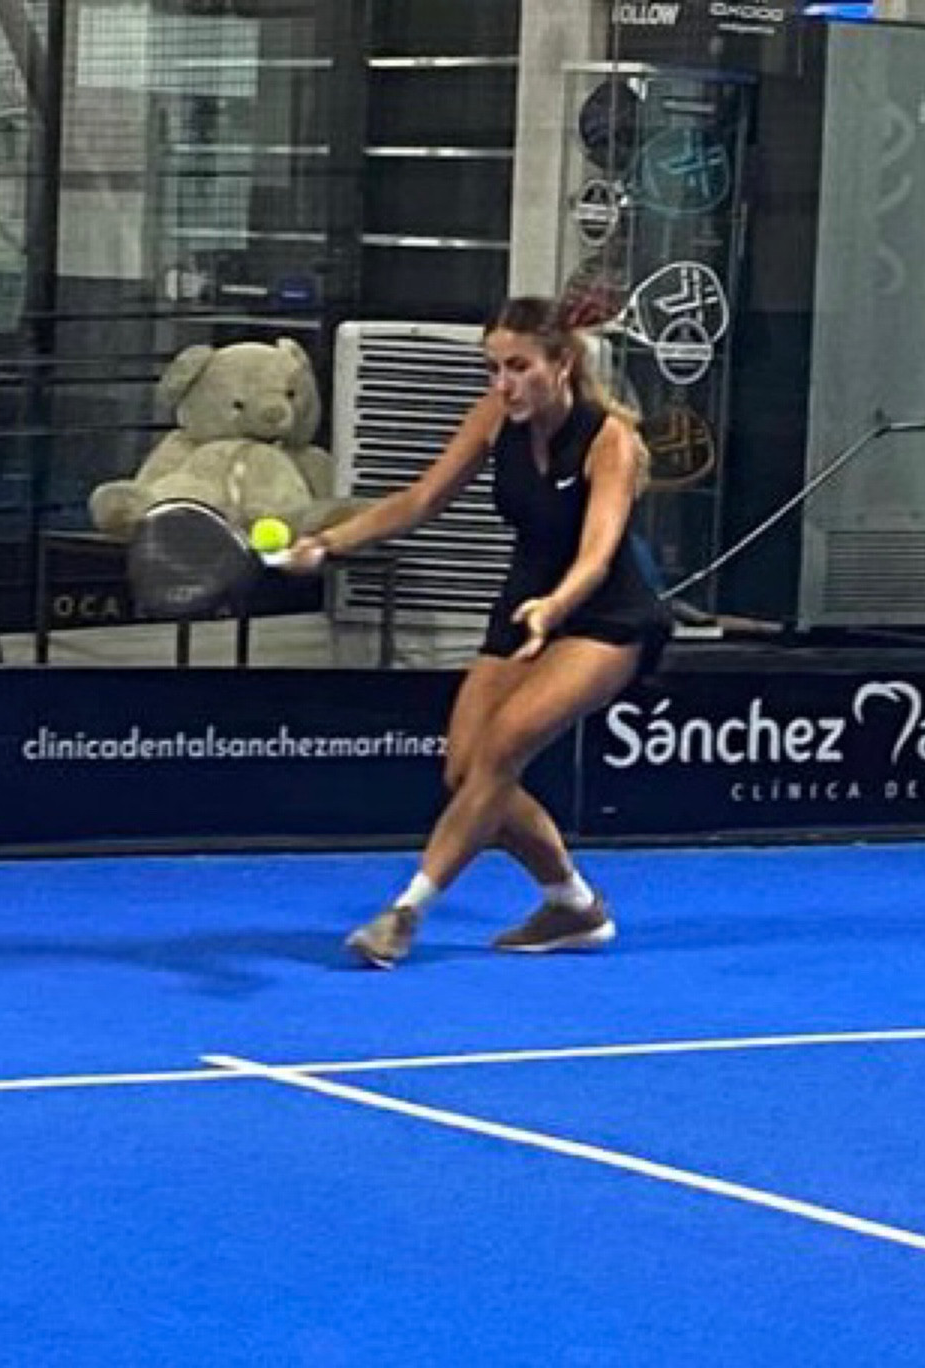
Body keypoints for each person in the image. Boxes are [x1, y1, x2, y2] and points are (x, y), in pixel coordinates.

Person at [284, 297, 669, 968]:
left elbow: (596, 556)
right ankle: (573, 904)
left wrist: (555, 606)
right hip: (522, 607)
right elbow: (419, 501)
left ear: (562, 364)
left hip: (605, 617)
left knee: (500, 752)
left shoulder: (611, 440)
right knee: (465, 769)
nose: (503, 384)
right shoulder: (493, 417)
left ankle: (405, 914)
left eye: (518, 367)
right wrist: (327, 543)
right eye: (492, 368)